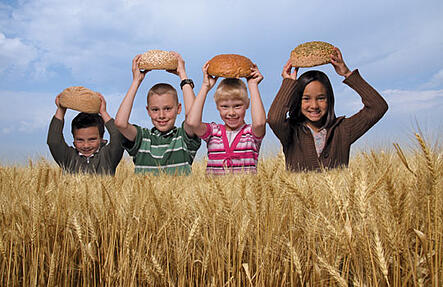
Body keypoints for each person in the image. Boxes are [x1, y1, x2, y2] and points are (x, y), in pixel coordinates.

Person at [267, 47, 388, 172]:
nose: (314, 106)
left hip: (336, 192)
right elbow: (274, 119)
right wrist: (287, 83)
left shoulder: (343, 131)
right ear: (297, 101)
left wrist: (347, 73)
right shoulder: (291, 132)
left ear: (329, 100)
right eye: (306, 99)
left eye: (320, 98)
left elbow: (378, 107)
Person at [114, 52, 201, 175]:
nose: (161, 115)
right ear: (148, 111)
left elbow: (193, 119)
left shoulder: (183, 138)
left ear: (179, 108)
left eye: (167, 109)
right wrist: (136, 82)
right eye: (155, 109)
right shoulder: (143, 138)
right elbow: (120, 123)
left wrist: (183, 75)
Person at [186, 62, 266, 175]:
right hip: (215, 192)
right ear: (217, 106)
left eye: (237, 106)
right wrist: (205, 87)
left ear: (248, 104)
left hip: (246, 192)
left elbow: (260, 123)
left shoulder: (250, 134)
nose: (231, 112)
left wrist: (253, 85)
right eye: (224, 106)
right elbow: (192, 122)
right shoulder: (213, 132)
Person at [47, 93, 124, 175]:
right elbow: (54, 141)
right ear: (73, 140)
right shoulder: (68, 157)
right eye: (80, 140)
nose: (86, 145)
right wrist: (61, 110)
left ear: (101, 139)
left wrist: (103, 112)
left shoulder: (108, 156)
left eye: (92, 139)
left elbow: (118, 136)